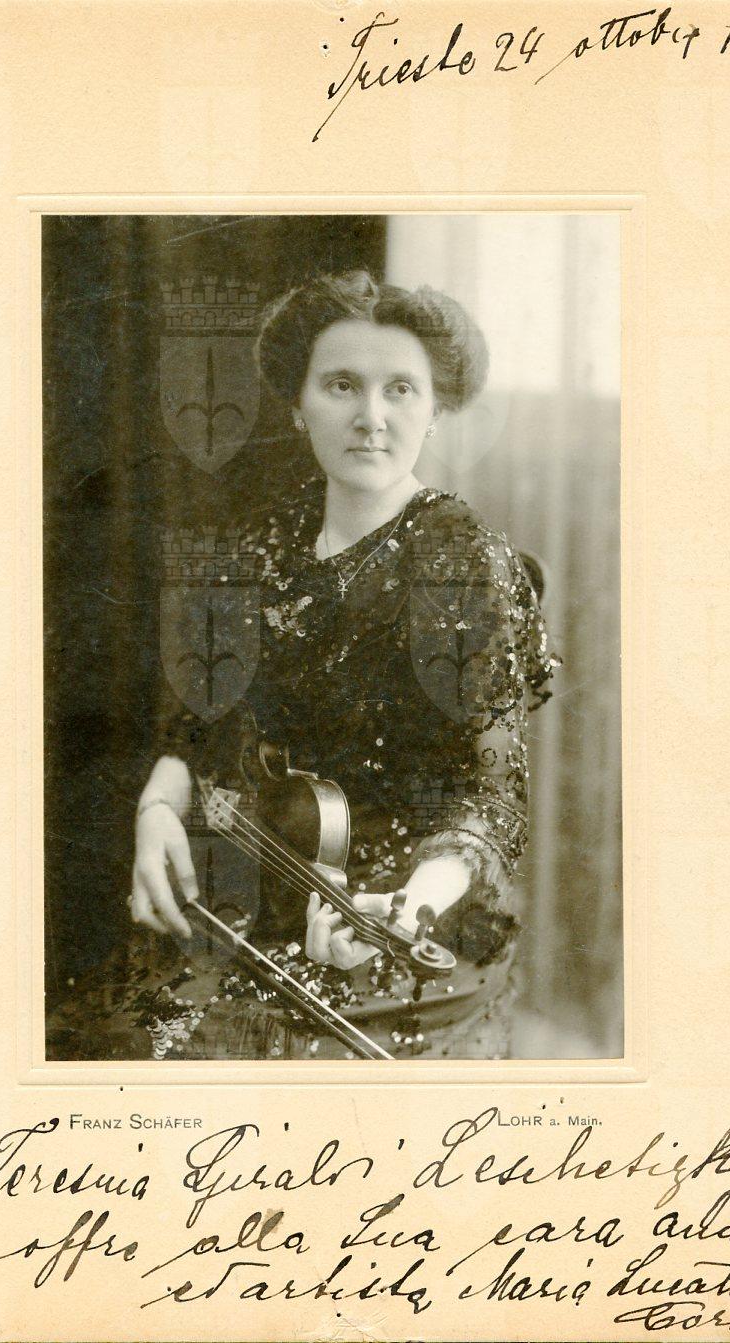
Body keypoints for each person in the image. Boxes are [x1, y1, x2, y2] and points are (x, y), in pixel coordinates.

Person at [121, 270, 555, 1060]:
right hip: (268, 894)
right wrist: (156, 808)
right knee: (139, 1044)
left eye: (400, 389)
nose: (370, 417)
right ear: (297, 404)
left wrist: (405, 907)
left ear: (434, 410)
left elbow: (492, 799)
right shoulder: (264, 540)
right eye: (341, 385)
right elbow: (197, 718)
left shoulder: (462, 563)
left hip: (413, 919)